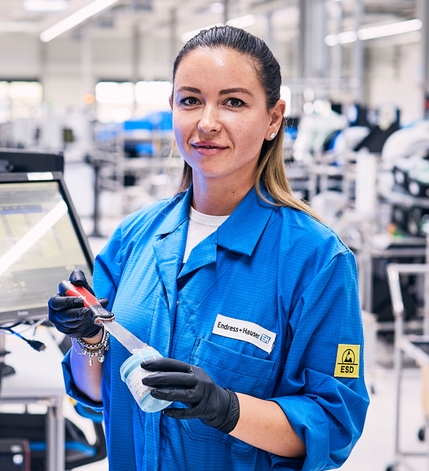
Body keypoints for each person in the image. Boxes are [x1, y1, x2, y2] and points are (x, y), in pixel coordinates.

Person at [48, 25, 369, 471]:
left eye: (234, 102)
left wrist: (227, 408)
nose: (207, 122)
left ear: (274, 118)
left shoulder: (316, 261)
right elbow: (98, 396)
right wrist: (88, 339)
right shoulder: (133, 238)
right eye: (191, 100)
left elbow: (333, 423)